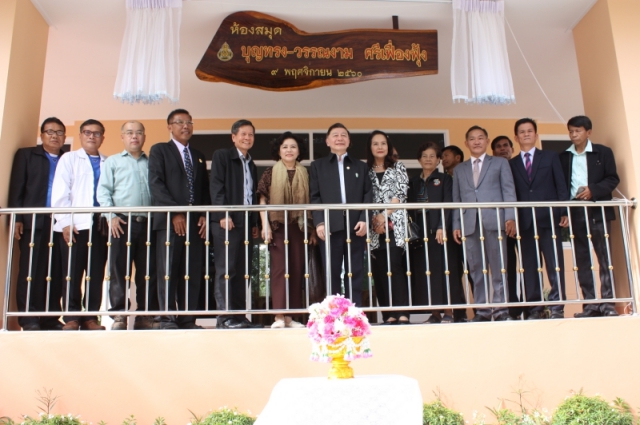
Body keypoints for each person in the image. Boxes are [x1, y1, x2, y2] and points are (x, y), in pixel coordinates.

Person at [148, 109, 210, 330]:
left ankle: (187, 319)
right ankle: (167, 318)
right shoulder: (160, 150)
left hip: (194, 223)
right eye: (180, 122)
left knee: (191, 271)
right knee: (168, 270)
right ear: (169, 126)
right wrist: (174, 212)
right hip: (169, 221)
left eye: (189, 122)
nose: (185, 126)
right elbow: (156, 183)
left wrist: (204, 214)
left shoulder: (198, 155)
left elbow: (204, 189)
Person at [452, 126, 517, 322]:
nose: (477, 142)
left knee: (499, 268)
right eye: (472, 139)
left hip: (495, 221)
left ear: (487, 141)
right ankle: (482, 310)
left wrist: (510, 216)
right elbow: (456, 199)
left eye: (480, 138)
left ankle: (500, 309)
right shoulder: (459, 169)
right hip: (469, 223)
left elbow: (508, 191)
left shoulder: (499, 163)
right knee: (476, 269)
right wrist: (456, 224)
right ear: (466, 143)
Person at [97, 121, 157, 330]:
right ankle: (119, 315)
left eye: (139, 132)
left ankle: (145, 316)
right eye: (130, 133)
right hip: (121, 222)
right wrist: (111, 215)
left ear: (144, 137)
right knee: (119, 270)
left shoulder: (152, 162)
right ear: (122, 136)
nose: (134, 136)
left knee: (148, 272)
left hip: (149, 222)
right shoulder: (113, 162)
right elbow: (103, 192)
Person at [8, 117, 66, 331]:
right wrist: (17, 218)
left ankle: (50, 318)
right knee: (30, 271)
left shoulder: (68, 159)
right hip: (33, 221)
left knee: (56, 271)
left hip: (60, 223)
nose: (54, 136)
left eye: (59, 132)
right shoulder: (26, 155)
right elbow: (17, 187)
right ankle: (29, 318)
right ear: (41, 135)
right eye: (50, 131)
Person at [559, 115, 620, 318]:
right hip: (575, 210)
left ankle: (608, 303)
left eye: (578, 131)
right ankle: (590, 305)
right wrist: (564, 211)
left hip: (597, 209)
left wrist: (593, 190)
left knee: (604, 257)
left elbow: (612, 178)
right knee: (582, 258)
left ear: (588, 132)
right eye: (571, 131)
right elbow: (561, 187)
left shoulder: (602, 152)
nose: (574, 135)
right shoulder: (564, 156)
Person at [51, 119, 108, 331]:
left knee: (95, 273)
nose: (92, 136)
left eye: (97, 133)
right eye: (87, 132)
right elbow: (60, 191)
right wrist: (65, 222)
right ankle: (72, 317)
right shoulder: (69, 158)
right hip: (75, 225)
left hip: (100, 227)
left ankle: (91, 317)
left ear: (102, 137)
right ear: (81, 135)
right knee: (71, 273)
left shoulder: (107, 161)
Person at [510, 119, 569, 320]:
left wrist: (564, 211)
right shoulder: (512, 163)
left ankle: (557, 306)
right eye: (522, 132)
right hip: (524, 222)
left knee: (555, 264)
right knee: (529, 266)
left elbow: (561, 185)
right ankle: (535, 307)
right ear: (516, 137)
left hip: (549, 218)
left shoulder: (550, 157)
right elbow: (511, 193)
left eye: (530, 131)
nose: (526, 134)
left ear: (536, 135)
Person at [310, 123, 373, 307]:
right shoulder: (318, 166)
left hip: (356, 225)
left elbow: (368, 195)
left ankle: (354, 312)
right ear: (327, 141)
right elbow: (314, 196)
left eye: (343, 135)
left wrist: (364, 219)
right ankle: (334, 313)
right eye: (335, 135)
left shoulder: (361, 166)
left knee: (355, 271)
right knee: (331, 272)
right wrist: (320, 222)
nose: (339, 138)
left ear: (349, 140)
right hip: (330, 225)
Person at [258, 132, 314, 328]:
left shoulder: (306, 173)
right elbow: (262, 200)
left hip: (299, 227)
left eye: (293, 147)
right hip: (278, 226)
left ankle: (292, 317)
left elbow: (312, 202)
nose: (289, 150)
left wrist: (312, 230)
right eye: (285, 147)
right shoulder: (270, 172)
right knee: (280, 269)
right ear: (279, 151)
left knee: (297, 269)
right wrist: (265, 225)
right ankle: (279, 316)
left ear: (299, 151)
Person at [210, 119, 262, 329]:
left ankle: (239, 316)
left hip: (245, 222)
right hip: (227, 221)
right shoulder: (222, 156)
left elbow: (252, 195)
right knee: (226, 269)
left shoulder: (251, 163)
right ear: (233, 137)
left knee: (243, 270)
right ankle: (225, 318)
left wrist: (254, 221)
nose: (247, 138)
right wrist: (224, 213)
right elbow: (217, 186)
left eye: (251, 134)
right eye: (243, 134)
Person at [408, 142, 465, 323]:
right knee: (426, 272)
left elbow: (447, 204)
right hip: (420, 232)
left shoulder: (445, 179)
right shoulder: (413, 182)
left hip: (440, 231)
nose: (428, 159)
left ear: (438, 160)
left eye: (432, 156)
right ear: (419, 159)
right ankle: (434, 313)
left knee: (446, 270)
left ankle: (449, 312)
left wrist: (442, 226)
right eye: (424, 156)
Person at [366, 131, 410, 324]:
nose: (380, 147)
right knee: (379, 269)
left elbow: (400, 194)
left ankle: (402, 312)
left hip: (395, 224)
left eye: (383, 143)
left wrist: (384, 215)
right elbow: (364, 197)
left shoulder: (398, 167)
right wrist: (375, 220)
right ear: (370, 147)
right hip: (374, 227)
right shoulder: (366, 170)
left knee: (395, 266)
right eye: (375, 143)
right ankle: (388, 314)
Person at [491, 135, 521, 319]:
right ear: (493, 152)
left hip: (524, 222)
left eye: (505, 145)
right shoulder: (493, 168)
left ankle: (532, 306)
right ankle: (512, 307)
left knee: (530, 266)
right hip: (503, 224)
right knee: (507, 266)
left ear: (512, 148)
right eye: (498, 147)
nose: (502, 149)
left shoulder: (518, 165)